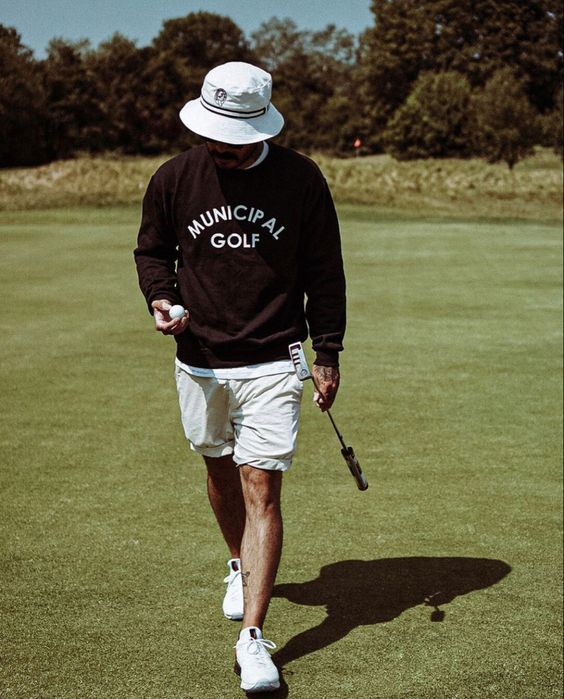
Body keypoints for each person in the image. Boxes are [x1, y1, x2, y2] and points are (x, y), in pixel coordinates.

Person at [134, 61, 346, 694]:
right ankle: (239, 563)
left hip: (275, 358)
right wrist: (161, 299)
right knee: (219, 467)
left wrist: (327, 351)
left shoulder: (301, 179)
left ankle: (253, 637)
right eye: (213, 133)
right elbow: (152, 252)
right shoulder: (174, 177)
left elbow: (325, 270)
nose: (220, 146)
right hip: (199, 356)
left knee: (263, 488)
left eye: (232, 135)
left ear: (261, 127)